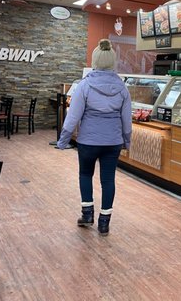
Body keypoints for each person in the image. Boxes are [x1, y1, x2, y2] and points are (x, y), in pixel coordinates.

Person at [57, 39, 132, 236]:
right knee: (108, 180)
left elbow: (73, 116)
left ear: (95, 60)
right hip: (113, 141)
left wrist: (63, 141)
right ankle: (104, 222)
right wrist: (127, 141)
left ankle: (87, 214)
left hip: (88, 141)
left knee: (85, 175)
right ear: (112, 61)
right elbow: (126, 120)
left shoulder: (85, 85)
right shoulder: (123, 88)